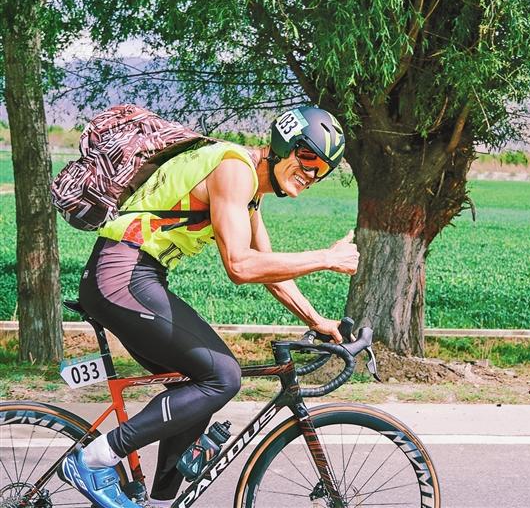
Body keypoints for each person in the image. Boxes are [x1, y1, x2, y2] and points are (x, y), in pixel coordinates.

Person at [59, 106, 358, 508]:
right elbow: (240, 265)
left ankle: (159, 501)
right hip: (122, 275)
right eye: (307, 158)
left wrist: (319, 321)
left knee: (197, 388)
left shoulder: (249, 191)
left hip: (132, 276)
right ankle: (94, 460)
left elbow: (268, 270)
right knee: (223, 376)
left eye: (321, 170)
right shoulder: (234, 170)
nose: (311, 173)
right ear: (284, 143)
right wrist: (326, 257)